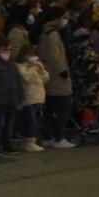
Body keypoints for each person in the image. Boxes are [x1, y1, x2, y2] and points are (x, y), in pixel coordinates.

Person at [36, 8, 74, 148]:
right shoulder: (53, 35)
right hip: (57, 76)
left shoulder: (44, 33)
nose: (65, 20)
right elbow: (55, 56)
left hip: (48, 75)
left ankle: (48, 137)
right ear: (56, 18)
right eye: (64, 17)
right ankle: (59, 137)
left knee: (50, 108)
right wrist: (63, 71)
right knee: (63, 107)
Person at [16, 43, 49, 153]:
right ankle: (29, 141)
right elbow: (26, 78)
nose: (33, 57)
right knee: (31, 120)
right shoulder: (20, 66)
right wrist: (30, 67)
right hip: (27, 97)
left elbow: (45, 79)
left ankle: (28, 141)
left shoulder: (36, 65)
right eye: (30, 54)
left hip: (37, 96)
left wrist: (41, 69)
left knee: (33, 119)